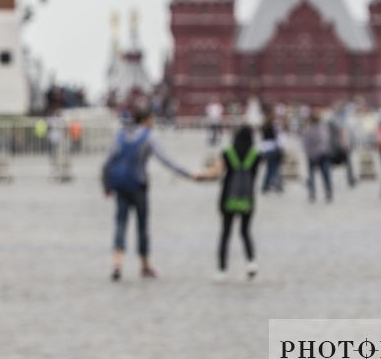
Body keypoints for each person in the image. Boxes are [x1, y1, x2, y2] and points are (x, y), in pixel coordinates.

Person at [102, 108, 195, 281]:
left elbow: (107, 162)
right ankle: (144, 265)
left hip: (121, 187)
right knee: (142, 226)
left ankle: (117, 264)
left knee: (120, 223)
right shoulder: (149, 137)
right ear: (146, 120)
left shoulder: (120, 135)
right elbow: (166, 160)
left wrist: (106, 186)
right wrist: (188, 174)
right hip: (139, 185)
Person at [196, 125, 260, 282]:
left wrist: (202, 176)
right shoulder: (255, 155)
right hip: (247, 198)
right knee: (245, 232)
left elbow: (216, 172)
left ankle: (222, 269)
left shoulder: (227, 153)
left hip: (228, 197)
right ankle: (251, 262)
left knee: (225, 234)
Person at [302, 110, 332, 203]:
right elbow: (325, 142)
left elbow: (305, 144)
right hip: (322, 154)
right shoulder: (322, 129)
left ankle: (312, 192)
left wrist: (310, 153)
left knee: (311, 175)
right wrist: (321, 151)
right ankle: (328, 191)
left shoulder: (307, 130)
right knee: (325, 174)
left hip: (311, 155)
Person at [259, 119, 283, 194]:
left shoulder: (264, 129)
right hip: (273, 150)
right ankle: (277, 185)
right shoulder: (271, 129)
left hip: (266, 150)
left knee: (269, 169)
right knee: (275, 169)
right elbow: (275, 140)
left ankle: (266, 185)